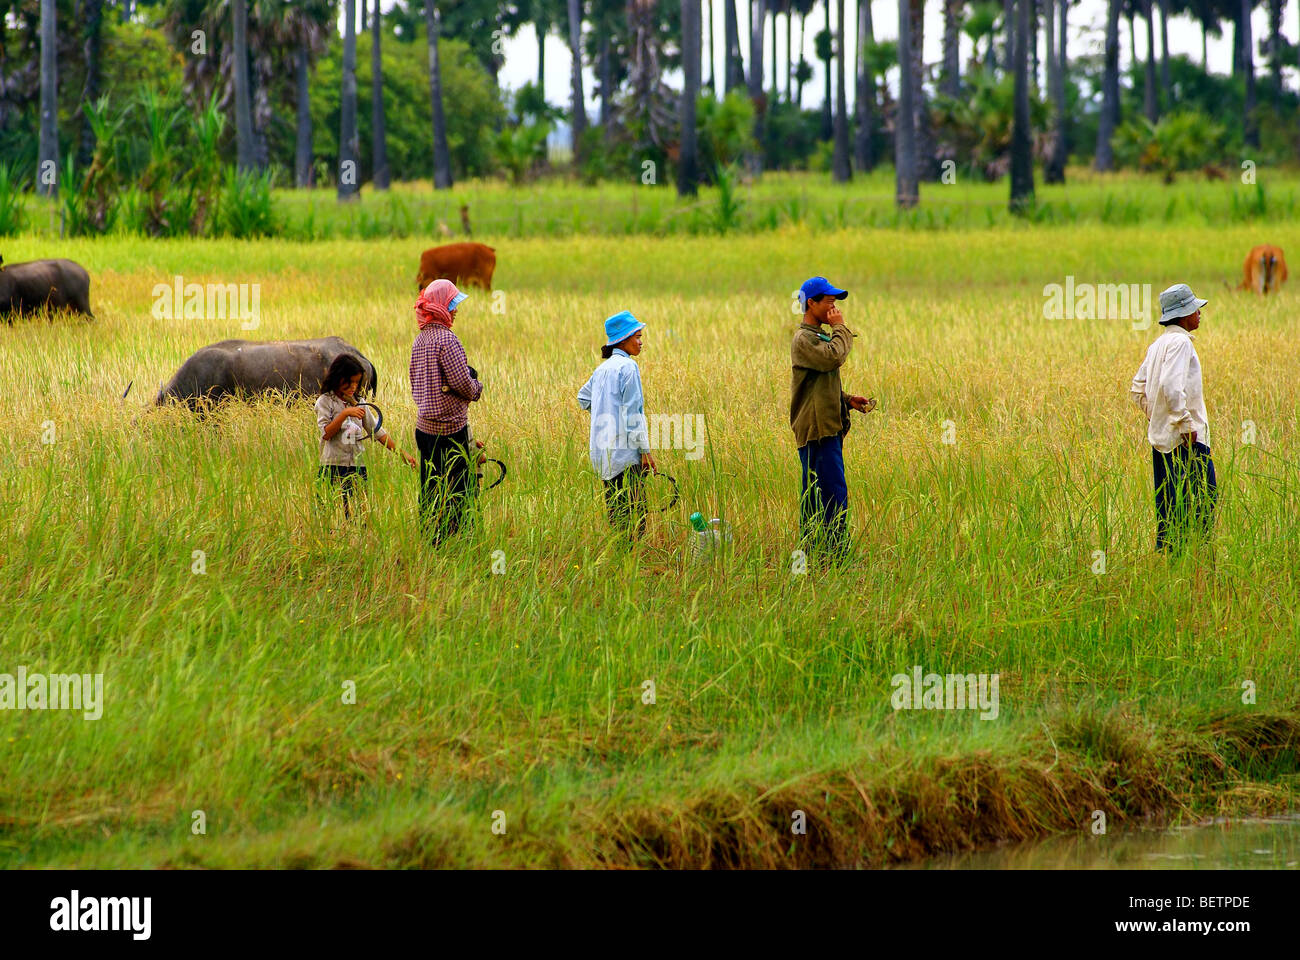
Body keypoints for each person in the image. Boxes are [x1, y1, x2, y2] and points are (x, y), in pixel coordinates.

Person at [790, 276, 875, 564]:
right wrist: (840, 327)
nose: (833, 307)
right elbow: (833, 358)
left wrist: (847, 400)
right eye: (828, 301)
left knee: (822, 492)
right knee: (829, 493)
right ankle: (834, 555)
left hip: (826, 427)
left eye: (835, 303)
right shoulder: (804, 339)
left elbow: (820, 385)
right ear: (810, 303)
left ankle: (820, 553)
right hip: (817, 430)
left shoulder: (817, 337)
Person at [1130, 283, 1217, 555]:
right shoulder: (1180, 343)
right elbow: (1169, 384)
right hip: (1186, 440)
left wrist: (1156, 416)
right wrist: (1183, 423)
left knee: (1168, 506)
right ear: (1182, 314)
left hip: (1162, 439)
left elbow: (1137, 388)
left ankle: (1169, 560)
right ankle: (1199, 556)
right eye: (1194, 309)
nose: (1199, 313)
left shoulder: (1157, 345)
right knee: (1206, 498)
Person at [410, 279, 485, 545]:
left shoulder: (420, 340)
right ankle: (458, 539)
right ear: (441, 306)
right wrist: (477, 387)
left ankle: (431, 539)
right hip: (450, 430)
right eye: (452, 305)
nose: (455, 310)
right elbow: (461, 383)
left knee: (430, 486)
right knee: (459, 487)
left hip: (424, 429)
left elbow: (415, 382)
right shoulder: (447, 339)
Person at [578, 310, 656, 543]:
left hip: (603, 454)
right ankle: (632, 563)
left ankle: (621, 560)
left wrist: (604, 413)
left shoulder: (602, 369)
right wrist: (645, 452)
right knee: (635, 515)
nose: (641, 342)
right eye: (637, 337)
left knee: (617, 513)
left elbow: (583, 398)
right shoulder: (628, 368)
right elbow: (633, 413)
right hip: (625, 454)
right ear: (623, 339)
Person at [315, 353, 416, 520]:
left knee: (358, 513)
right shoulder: (326, 401)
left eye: (357, 382)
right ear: (338, 378)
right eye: (349, 382)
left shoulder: (359, 402)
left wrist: (402, 453)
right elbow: (326, 433)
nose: (353, 386)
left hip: (356, 465)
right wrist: (345, 413)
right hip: (333, 465)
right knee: (331, 514)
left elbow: (376, 432)